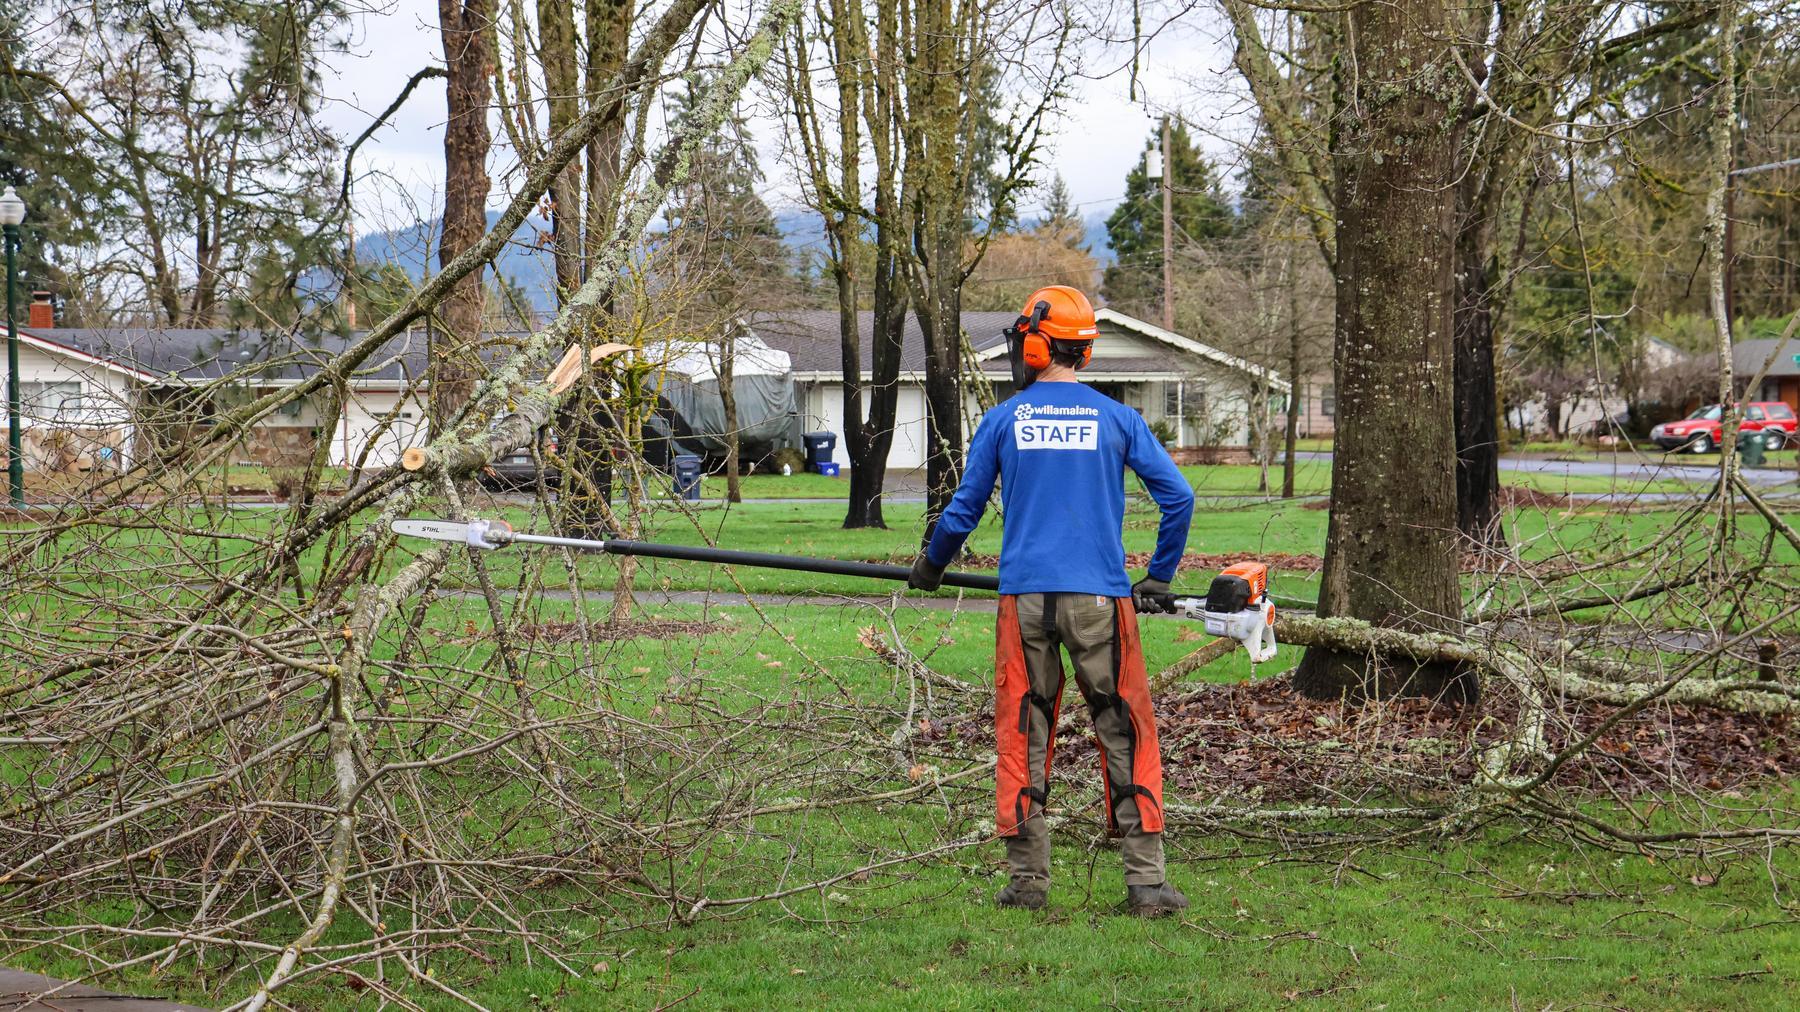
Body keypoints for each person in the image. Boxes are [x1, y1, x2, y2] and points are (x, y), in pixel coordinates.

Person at [908, 286, 1195, 917]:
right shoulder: (1118, 419)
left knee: (1023, 730)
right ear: (1084, 353)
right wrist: (1160, 576)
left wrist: (932, 564)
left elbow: (965, 507)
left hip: (1025, 601)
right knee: (1123, 727)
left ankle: (1028, 882)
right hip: (1101, 599)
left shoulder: (1005, 419)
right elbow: (1179, 499)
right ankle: (1146, 883)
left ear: (1035, 347)